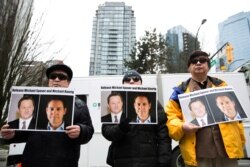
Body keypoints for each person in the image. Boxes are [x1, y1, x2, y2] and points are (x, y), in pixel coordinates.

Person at [1, 63, 94, 167]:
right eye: (53, 76)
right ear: (49, 81)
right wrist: (13, 134)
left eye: (62, 77)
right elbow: (26, 132)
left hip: (64, 162)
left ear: (68, 82)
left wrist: (81, 131)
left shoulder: (79, 105)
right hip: (32, 161)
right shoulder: (35, 103)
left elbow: (89, 131)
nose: (56, 79)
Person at [166, 50, 245, 167]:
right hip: (199, 155)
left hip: (227, 152)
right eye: (194, 61)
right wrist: (182, 127)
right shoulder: (179, 91)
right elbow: (171, 118)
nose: (198, 63)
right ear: (189, 68)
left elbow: (237, 120)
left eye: (202, 60)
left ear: (208, 66)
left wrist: (240, 143)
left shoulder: (222, 86)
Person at [102, 70, 172, 167]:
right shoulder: (117, 104)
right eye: (127, 79)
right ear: (123, 83)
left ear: (141, 83)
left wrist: (164, 160)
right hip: (121, 160)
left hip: (148, 161)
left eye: (135, 79)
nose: (131, 81)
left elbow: (164, 136)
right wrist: (120, 129)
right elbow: (107, 132)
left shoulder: (154, 104)